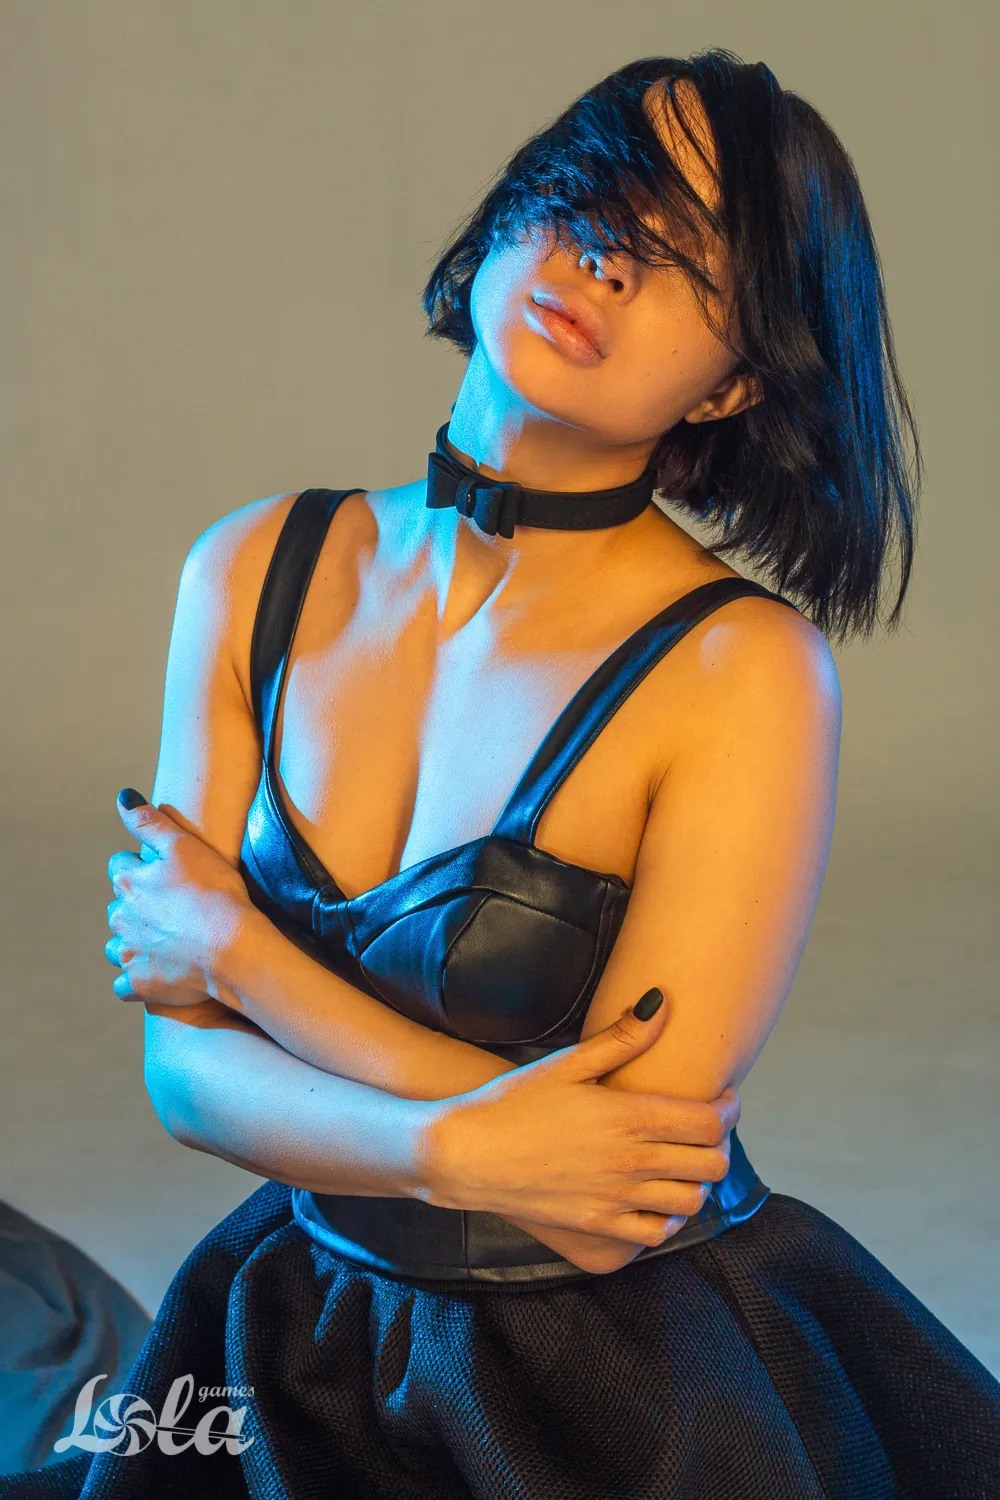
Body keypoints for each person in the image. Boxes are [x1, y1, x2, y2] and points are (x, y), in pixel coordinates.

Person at [8, 47, 998, 1499]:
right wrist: (451, 1150)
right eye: (595, 198)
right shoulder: (251, 567)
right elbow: (184, 1073)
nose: (606, 263)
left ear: (733, 384)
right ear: (505, 219)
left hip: (623, 1387)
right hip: (292, 1338)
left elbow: (617, 1186)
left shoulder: (746, 669)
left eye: (684, 262)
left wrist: (240, 957)